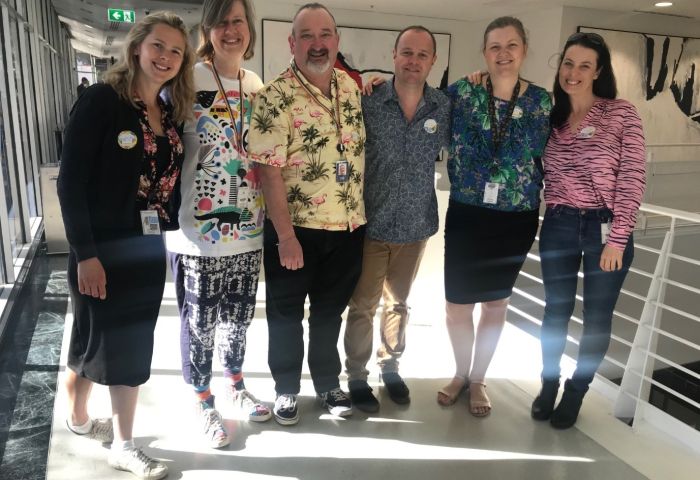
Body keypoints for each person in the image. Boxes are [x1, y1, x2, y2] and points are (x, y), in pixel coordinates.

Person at [57, 12, 194, 479]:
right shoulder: (102, 102)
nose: (166, 57)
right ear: (137, 46)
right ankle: (121, 444)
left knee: (122, 339)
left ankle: (84, 423)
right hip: (104, 245)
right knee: (102, 338)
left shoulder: (168, 109)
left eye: (176, 51)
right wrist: (86, 254)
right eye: (159, 46)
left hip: (147, 243)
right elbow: (70, 184)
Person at [248, 2, 366, 425]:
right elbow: (268, 170)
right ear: (292, 42)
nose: (318, 44)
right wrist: (286, 236)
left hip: (349, 227)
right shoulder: (273, 97)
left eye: (325, 34)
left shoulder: (351, 88)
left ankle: (327, 383)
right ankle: (285, 388)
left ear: (336, 39)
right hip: (295, 229)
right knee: (285, 313)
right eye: (308, 36)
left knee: (330, 313)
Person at [165, 0, 271, 450]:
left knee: (239, 320)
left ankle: (234, 383)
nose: (232, 31)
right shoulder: (187, 79)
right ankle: (203, 398)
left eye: (239, 22)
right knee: (200, 323)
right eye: (222, 22)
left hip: (249, 231)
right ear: (207, 28)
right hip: (197, 236)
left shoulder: (256, 84)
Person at [531, 31, 645, 429]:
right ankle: (549, 385)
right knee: (555, 313)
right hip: (559, 223)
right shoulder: (552, 116)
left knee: (596, 319)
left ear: (598, 72)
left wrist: (617, 238)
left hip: (605, 228)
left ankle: (576, 392)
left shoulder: (621, 114)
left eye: (584, 66)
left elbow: (632, 179)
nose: (573, 73)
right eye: (568, 63)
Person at [439, 16, 551, 417]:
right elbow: (420, 105)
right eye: (495, 47)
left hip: (516, 217)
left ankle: (478, 379)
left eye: (511, 45)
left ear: (524, 50)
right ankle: (459, 372)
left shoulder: (542, 101)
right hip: (468, 212)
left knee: (496, 304)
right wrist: (375, 84)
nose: (503, 54)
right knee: (457, 305)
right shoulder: (462, 92)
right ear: (484, 53)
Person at [343, 26, 450, 412]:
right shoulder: (370, 100)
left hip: (416, 224)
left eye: (423, 55)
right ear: (393, 55)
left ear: (433, 61)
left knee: (399, 304)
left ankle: (390, 366)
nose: (414, 61)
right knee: (363, 305)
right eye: (407, 52)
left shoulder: (443, 106)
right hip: (372, 222)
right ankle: (356, 375)